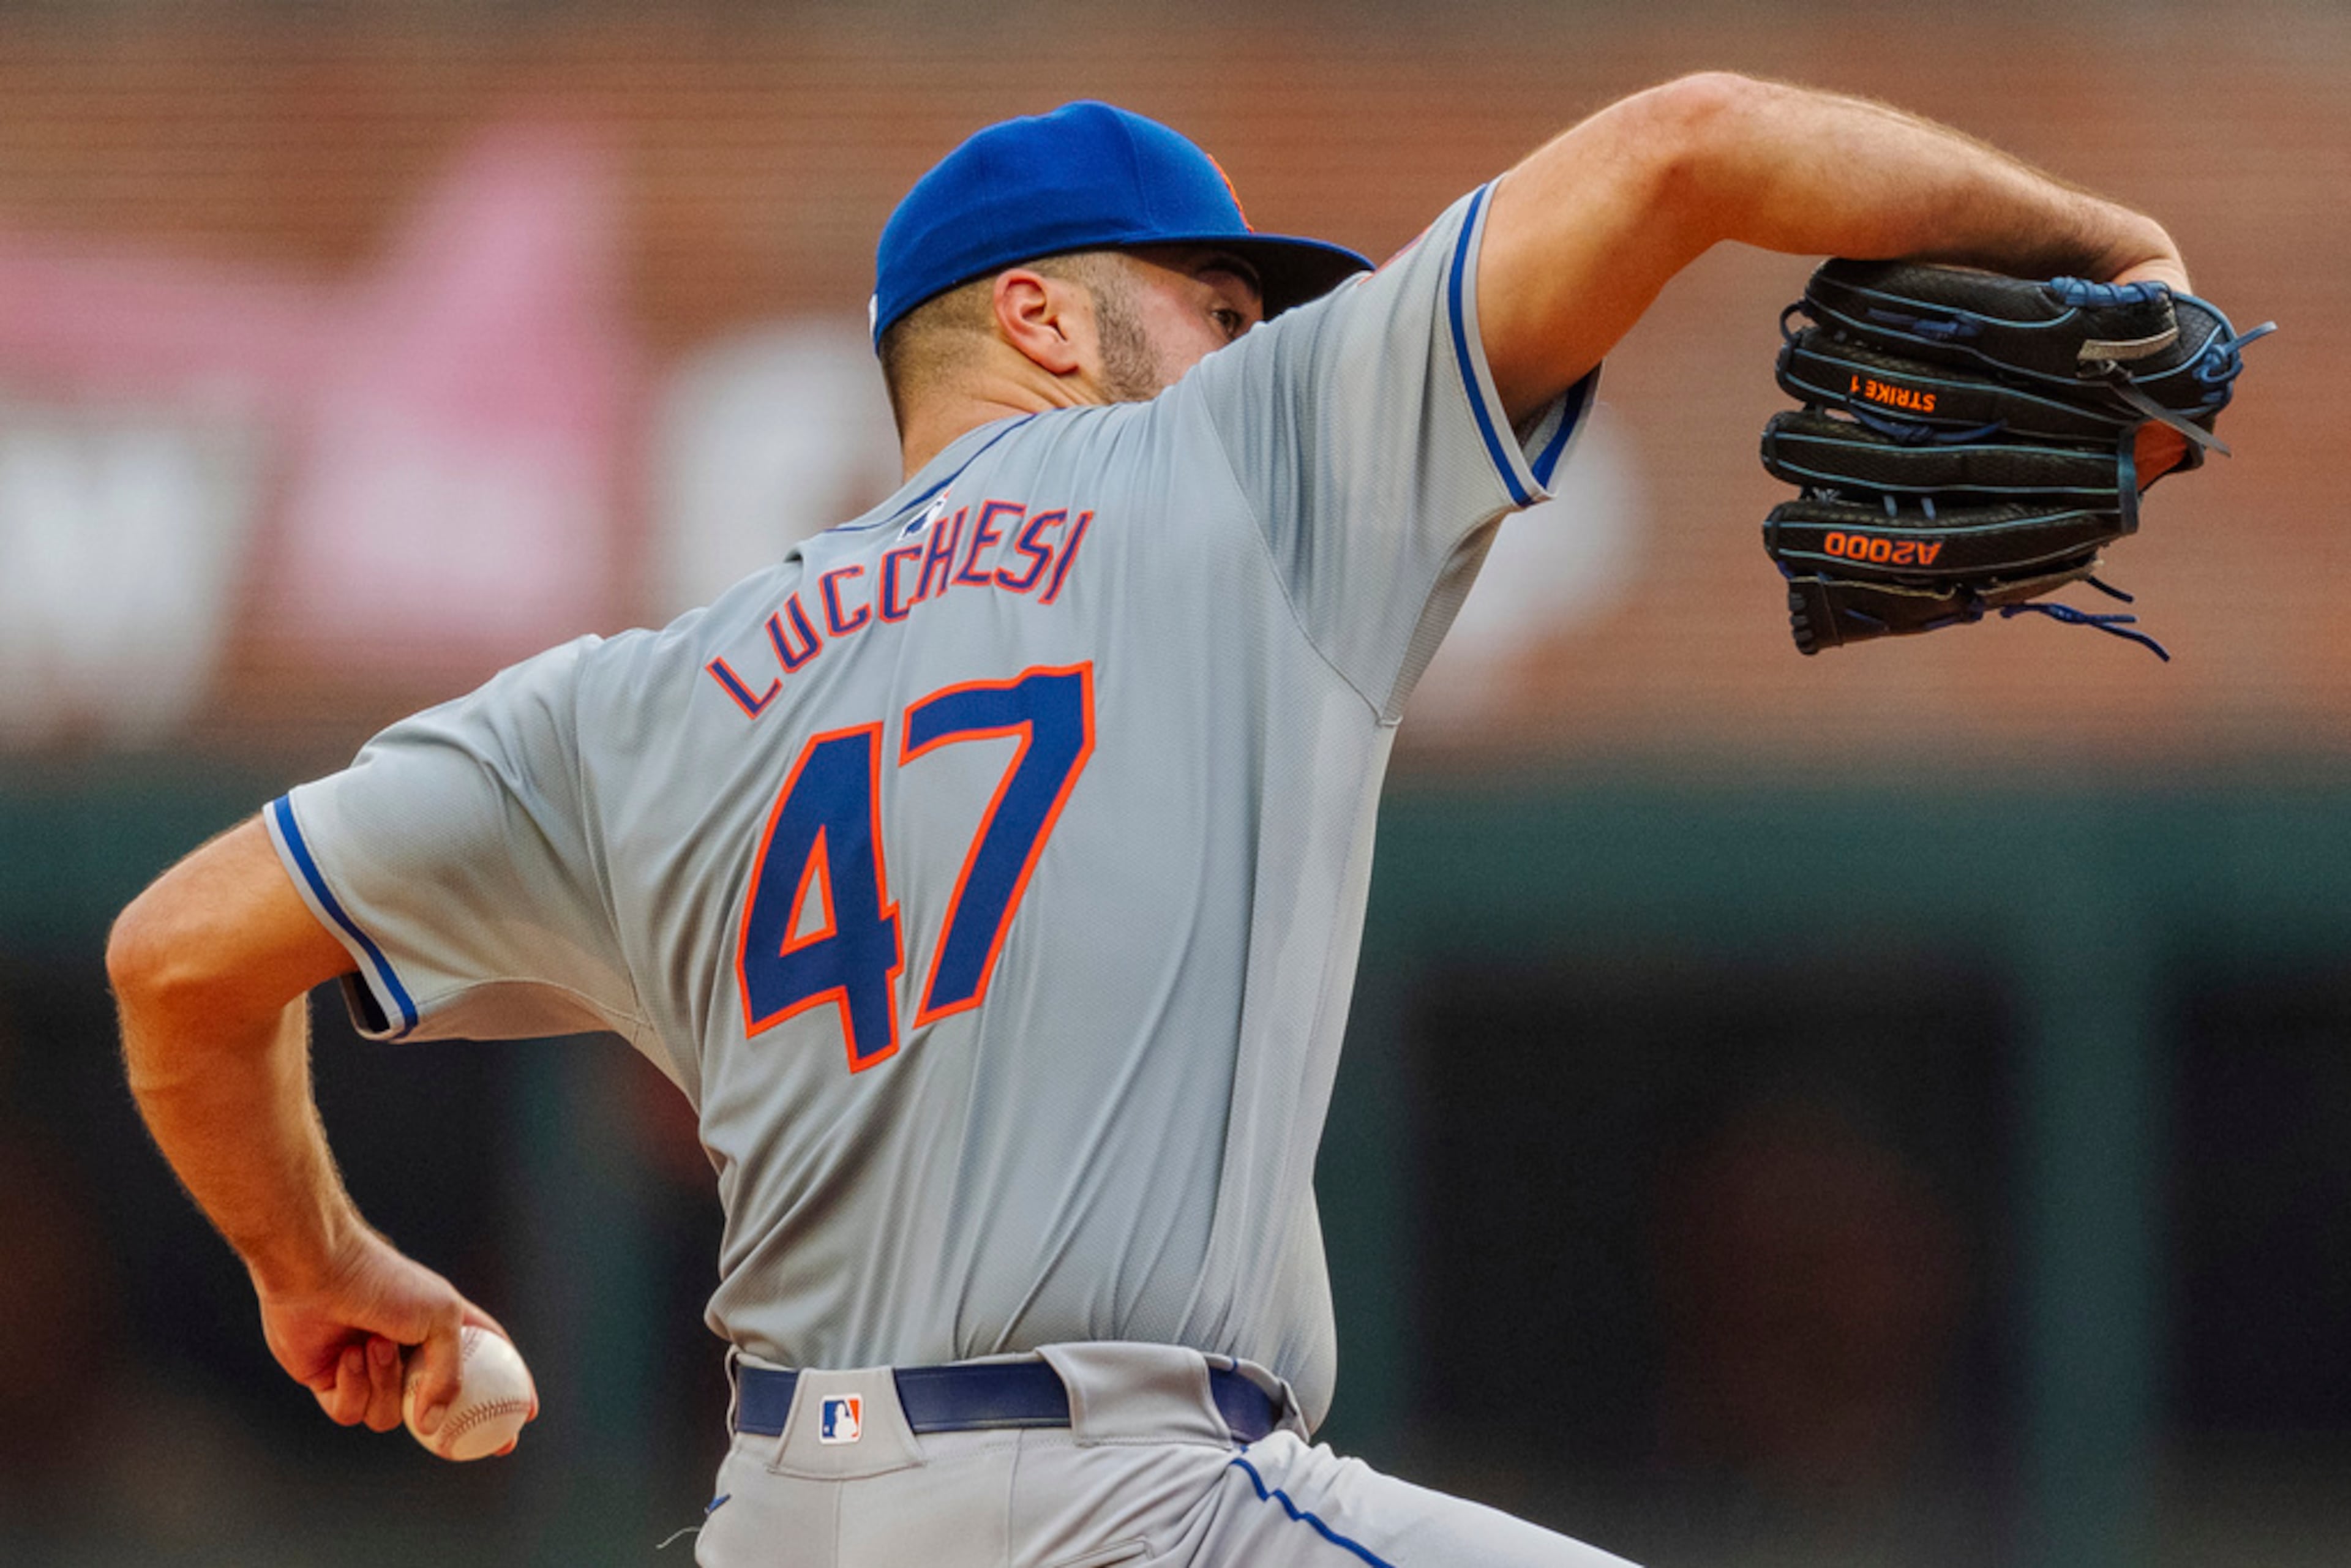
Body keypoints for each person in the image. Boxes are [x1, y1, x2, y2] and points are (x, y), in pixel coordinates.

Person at [110, 83, 2188, 1566]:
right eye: (1219, 298)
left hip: (787, 1518)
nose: (1262, 339)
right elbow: (1684, 148)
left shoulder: (633, 703)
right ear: (1043, 317)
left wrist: (320, 1263)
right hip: (1125, 1503)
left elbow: (176, 961)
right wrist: (2109, 250)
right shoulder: (1229, 463)